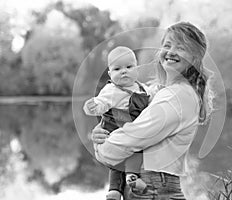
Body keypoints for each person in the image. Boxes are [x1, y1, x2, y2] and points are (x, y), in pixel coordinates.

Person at [91, 22, 214, 199]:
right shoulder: (163, 92)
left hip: (152, 187)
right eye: (167, 45)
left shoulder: (175, 96)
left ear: (194, 58)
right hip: (151, 185)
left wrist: (101, 147)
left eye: (181, 47)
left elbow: (132, 138)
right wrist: (102, 131)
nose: (171, 51)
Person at [83, 46, 156, 200]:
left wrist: (159, 91)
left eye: (129, 67)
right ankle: (115, 189)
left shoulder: (143, 88)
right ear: (110, 74)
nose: (124, 71)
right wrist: (93, 107)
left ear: (137, 69)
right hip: (116, 130)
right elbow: (102, 103)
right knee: (117, 161)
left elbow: (153, 99)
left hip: (134, 133)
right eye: (117, 69)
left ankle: (132, 178)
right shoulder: (111, 90)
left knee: (135, 154)